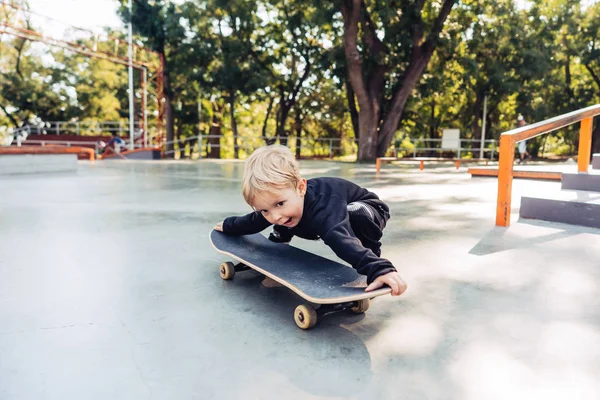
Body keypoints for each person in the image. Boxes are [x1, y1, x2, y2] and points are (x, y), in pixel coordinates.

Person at [214, 145, 407, 296]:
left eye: (279, 203)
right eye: (265, 209)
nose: (274, 216)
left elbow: (341, 240)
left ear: (300, 188)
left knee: (355, 214)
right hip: (311, 212)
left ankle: (371, 253)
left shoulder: (325, 210)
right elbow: (253, 221)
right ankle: (281, 239)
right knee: (288, 216)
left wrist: (380, 269)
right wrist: (229, 225)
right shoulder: (280, 203)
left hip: (368, 209)